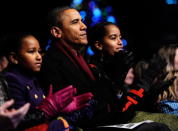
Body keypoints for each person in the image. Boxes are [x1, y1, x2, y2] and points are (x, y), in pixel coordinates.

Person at [40, 6, 171, 130]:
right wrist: (122, 74)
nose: (84, 26)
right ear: (57, 32)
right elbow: (97, 107)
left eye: (82, 21)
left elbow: (109, 104)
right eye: (75, 22)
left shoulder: (80, 60)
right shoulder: (51, 62)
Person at [3, 33, 92, 131]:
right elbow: (19, 120)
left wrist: (59, 111)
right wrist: (47, 110)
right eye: (31, 51)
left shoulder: (33, 77)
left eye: (39, 52)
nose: (39, 57)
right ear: (14, 58)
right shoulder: (12, 79)